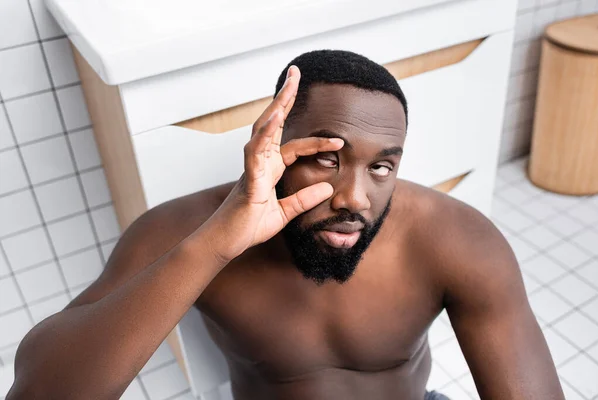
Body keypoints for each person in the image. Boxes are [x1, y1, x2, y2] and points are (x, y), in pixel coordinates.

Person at [8, 50, 564, 400]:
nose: (355, 198)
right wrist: (215, 246)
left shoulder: (458, 238)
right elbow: (41, 390)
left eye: (381, 167)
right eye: (326, 157)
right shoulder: (181, 230)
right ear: (274, 147)